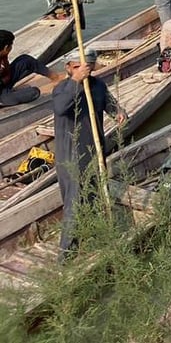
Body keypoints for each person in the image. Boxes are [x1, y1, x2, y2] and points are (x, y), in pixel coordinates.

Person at [52, 50, 125, 259]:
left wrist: (118, 113)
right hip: (71, 155)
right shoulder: (62, 89)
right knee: (74, 202)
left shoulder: (98, 85)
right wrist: (76, 80)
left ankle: (91, 234)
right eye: (77, 67)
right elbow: (60, 108)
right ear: (68, 68)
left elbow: (110, 104)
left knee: (94, 196)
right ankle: (65, 254)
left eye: (87, 67)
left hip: (95, 151)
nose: (84, 71)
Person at [0, 29, 50, 106]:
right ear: (6, 47)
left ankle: (55, 77)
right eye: (11, 45)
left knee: (25, 60)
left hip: (5, 79)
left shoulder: (3, 53)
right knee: (34, 92)